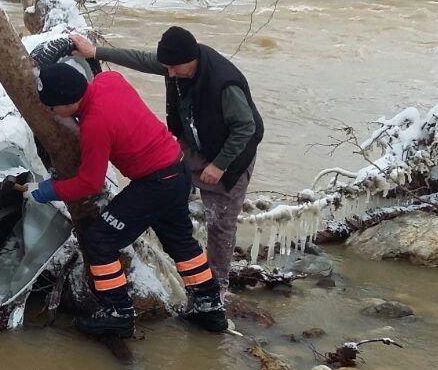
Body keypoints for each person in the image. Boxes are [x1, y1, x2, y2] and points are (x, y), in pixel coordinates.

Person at [30, 60, 228, 337]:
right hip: (177, 168)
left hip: (156, 183)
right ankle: (210, 309)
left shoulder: (95, 125)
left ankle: (118, 314)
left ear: (68, 103)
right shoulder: (109, 81)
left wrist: (54, 190)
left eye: (51, 107)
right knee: (180, 241)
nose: (50, 112)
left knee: (99, 239)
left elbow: (90, 182)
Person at [69, 28, 264, 291]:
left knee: (220, 224)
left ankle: (219, 286)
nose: (169, 73)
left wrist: (219, 165)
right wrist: (96, 53)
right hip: (195, 144)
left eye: (173, 68)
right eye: (167, 67)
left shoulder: (223, 83)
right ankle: (186, 246)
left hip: (232, 156)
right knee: (169, 190)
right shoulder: (178, 63)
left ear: (191, 58)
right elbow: (142, 59)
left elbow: (246, 127)